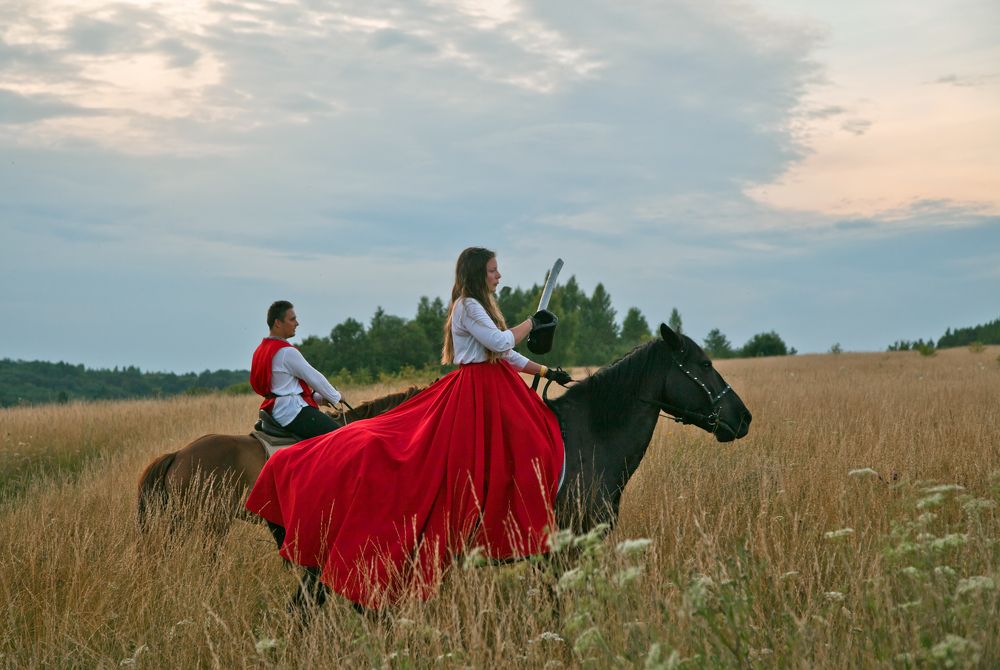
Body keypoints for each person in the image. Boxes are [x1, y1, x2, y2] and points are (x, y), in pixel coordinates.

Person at [245, 248, 572, 610]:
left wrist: (545, 372)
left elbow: (506, 355)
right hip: (475, 393)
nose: (499, 276)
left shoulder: (484, 307)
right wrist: (532, 323)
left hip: (497, 387)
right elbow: (501, 342)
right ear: (477, 273)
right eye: (493, 271)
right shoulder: (467, 305)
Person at [250, 300, 347, 440]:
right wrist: (336, 396)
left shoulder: (260, 350)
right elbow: (314, 378)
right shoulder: (286, 352)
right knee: (341, 437)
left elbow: (283, 387)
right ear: (278, 323)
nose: (297, 323)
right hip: (291, 412)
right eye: (292, 319)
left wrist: (319, 398)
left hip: (275, 409)